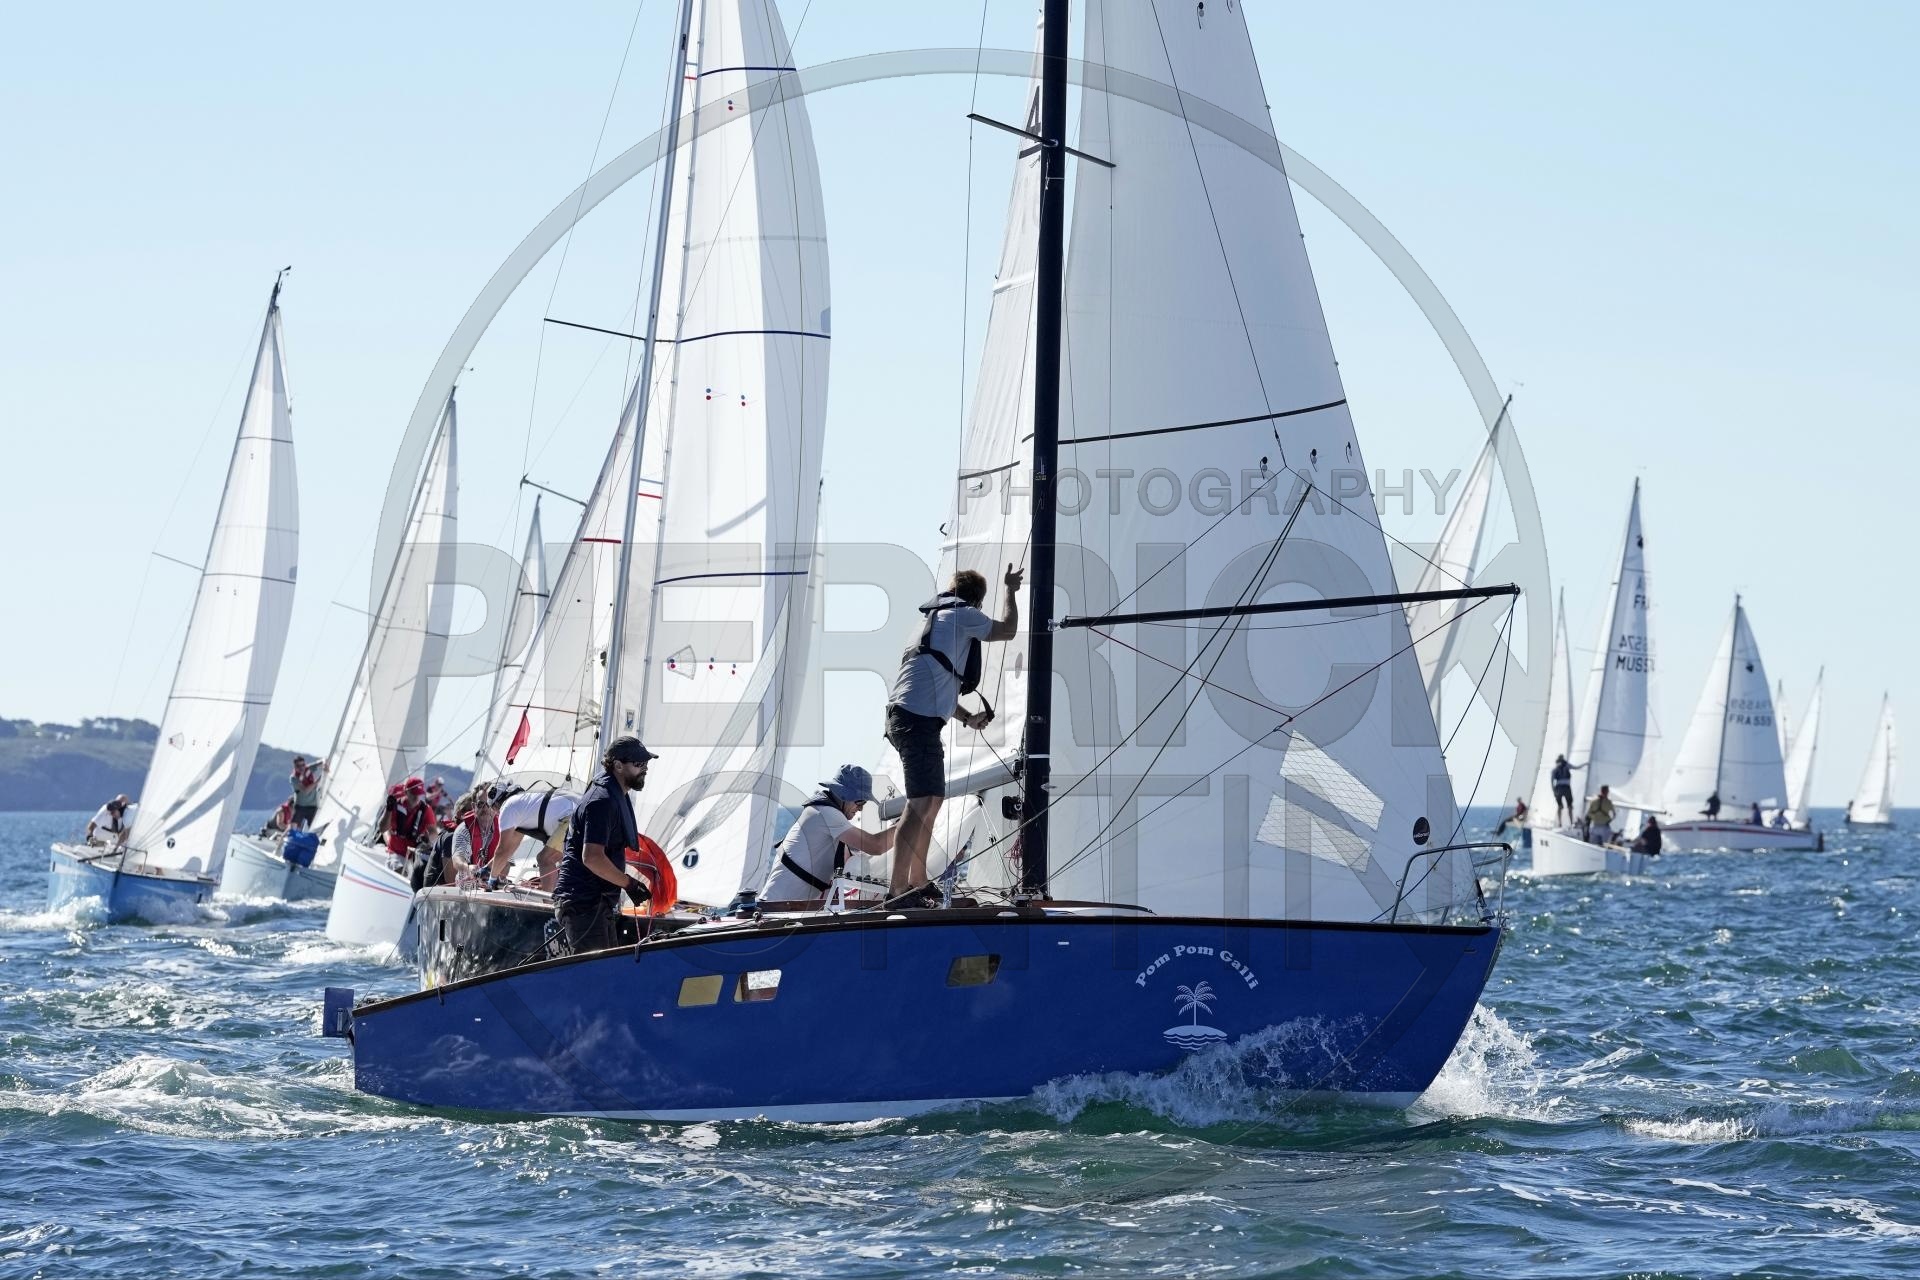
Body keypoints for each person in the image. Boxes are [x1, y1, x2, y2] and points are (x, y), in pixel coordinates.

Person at [884, 564, 1022, 904]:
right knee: (920, 803)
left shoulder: (932, 619)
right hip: (916, 720)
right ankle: (897, 890)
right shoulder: (963, 614)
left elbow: (934, 681)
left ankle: (918, 881)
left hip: (911, 717)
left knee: (931, 800)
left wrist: (967, 718)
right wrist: (1010, 590)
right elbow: (1007, 630)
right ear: (976, 600)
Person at [551, 735, 659, 955]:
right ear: (618, 766)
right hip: (584, 903)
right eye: (639, 763)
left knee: (610, 969)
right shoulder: (602, 801)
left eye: (646, 763)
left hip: (595, 904)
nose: (645, 768)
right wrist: (629, 884)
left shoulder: (614, 794)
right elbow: (592, 857)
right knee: (597, 972)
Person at [759, 766, 900, 906]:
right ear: (844, 795)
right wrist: (905, 824)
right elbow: (875, 846)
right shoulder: (826, 813)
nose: (861, 808)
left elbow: (856, 860)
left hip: (789, 907)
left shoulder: (827, 815)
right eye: (860, 802)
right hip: (775, 907)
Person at [490, 783, 582, 887]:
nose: (497, 814)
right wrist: (488, 868)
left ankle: (548, 898)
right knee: (566, 864)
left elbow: (502, 850)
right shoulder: (521, 802)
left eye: (493, 810)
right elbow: (509, 849)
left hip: (573, 818)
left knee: (545, 859)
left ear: (496, 805)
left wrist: (492, 879)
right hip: (581, 815)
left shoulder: (507, 807)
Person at [449, 787, 500, 887]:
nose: (485, 808)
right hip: (467, 887)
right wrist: (467, 868)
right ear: (473, 806)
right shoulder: (464, 829)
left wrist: (490, 870)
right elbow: (457, 859)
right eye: (480, 804)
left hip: (493, 887)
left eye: (489, 804)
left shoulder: (503, 829)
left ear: (496, 807)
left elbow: (507, 864)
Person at [377, 778, 434, 858]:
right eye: (414, 793)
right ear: (406, 792)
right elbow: (382, 829)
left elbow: (433, 832)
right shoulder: (395, 805)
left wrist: (429, 840)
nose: (416, 797)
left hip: (413, 856)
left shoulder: (426, 809)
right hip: (394, 853)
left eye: (419, 794)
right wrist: (388, 809)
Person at [289, 756, 324, 829]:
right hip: (300, 806)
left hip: (313, 805)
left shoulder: (308, 769)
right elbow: (305, 791)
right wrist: (318, 781)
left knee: (313, 826)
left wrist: (325, 763)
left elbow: (320, 762)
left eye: (303, 765)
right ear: (295, 766)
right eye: (298, 766)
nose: (301, 768)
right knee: (293, 826)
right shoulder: (293, 778)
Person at [1549, 755, 1578, 825]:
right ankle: (1570, 823)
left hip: (1558, 788)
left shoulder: (1555, 769)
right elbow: (1576, 767)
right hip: (1566, 788)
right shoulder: (1566, 766)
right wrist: (1585, 764)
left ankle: (1560, 823)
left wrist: (1554, 791)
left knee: (1561, 806)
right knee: (1569, 806)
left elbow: (1552, 782)